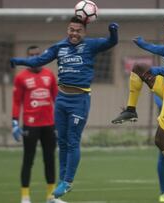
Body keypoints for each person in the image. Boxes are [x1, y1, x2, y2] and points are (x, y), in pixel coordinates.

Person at [10, 16, 119, 199]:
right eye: (71, 30)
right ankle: (62, 180)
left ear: (84, 32)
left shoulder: (91, 45)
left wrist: (113, 31)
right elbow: (38, 61)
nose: (74, 33)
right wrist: (19, 61)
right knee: (62, 142)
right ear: (67, 30)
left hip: (80, 99)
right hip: (61, 100)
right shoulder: (59, 47)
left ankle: (68, 181)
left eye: (78, 30)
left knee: (73, 140)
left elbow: (112, 42)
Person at [111, 9, 164, 203]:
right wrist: (145, 45)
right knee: (139, 68)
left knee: (161, 140)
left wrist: (157, 69)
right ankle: (131, 110)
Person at [12, 46, 65, 203]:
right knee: (28, 159)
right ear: (27, 59)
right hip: (30, 125)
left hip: (49, 124)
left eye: (37, 55)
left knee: (50, 159)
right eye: (31, 55)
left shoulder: (49, 75)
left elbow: (57, 100)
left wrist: (62, 121)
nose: (35, 58)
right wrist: (14, 122)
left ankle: (51, 196)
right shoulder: (21, 77)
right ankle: (25, 196)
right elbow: (16, 101)